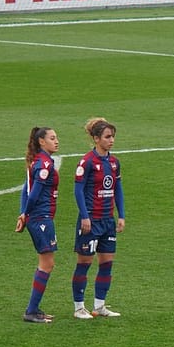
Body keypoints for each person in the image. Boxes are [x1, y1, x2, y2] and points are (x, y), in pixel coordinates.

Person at [72, 117, 125, 319]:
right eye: (107, 137)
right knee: (84, 263)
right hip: (91, 221)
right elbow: (78, 190)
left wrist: (121, 215)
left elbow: (117, 189)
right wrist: (85, 217)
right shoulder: (87, 162)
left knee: (106, 263)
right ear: (96, 138)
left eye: (113, 137)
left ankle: (99, 306)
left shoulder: (114, 162)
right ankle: (79, 307)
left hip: (107, 221)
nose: (112, 140)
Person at [15, 126, 60, 323]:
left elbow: (25, 190)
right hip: (41, 218)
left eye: (56, 138)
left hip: (39, 218)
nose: (56, 141)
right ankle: (31, 311)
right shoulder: (44, 164)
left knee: (47, 263)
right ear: (42, 141)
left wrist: (23, 214)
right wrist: (26, 214)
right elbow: (32, 194)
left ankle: (34, 309)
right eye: (52, 138)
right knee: (47, 264)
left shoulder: (38, 161)